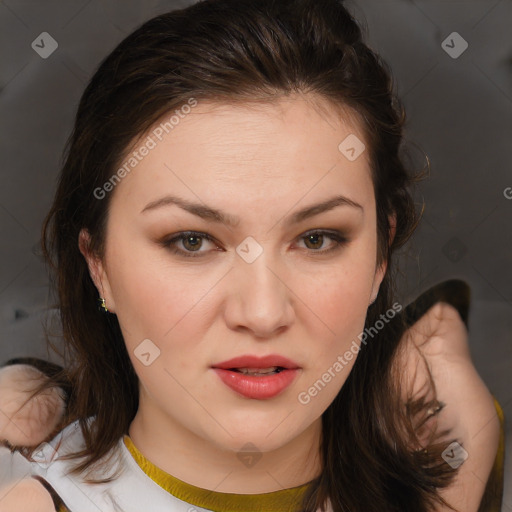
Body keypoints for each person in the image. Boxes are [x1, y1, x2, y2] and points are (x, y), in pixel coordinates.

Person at [0, 0, 503, 511]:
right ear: (98, 265)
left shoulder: (447, 459)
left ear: (380, 259)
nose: (262, 314)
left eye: (317, 238)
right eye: (191, 241)